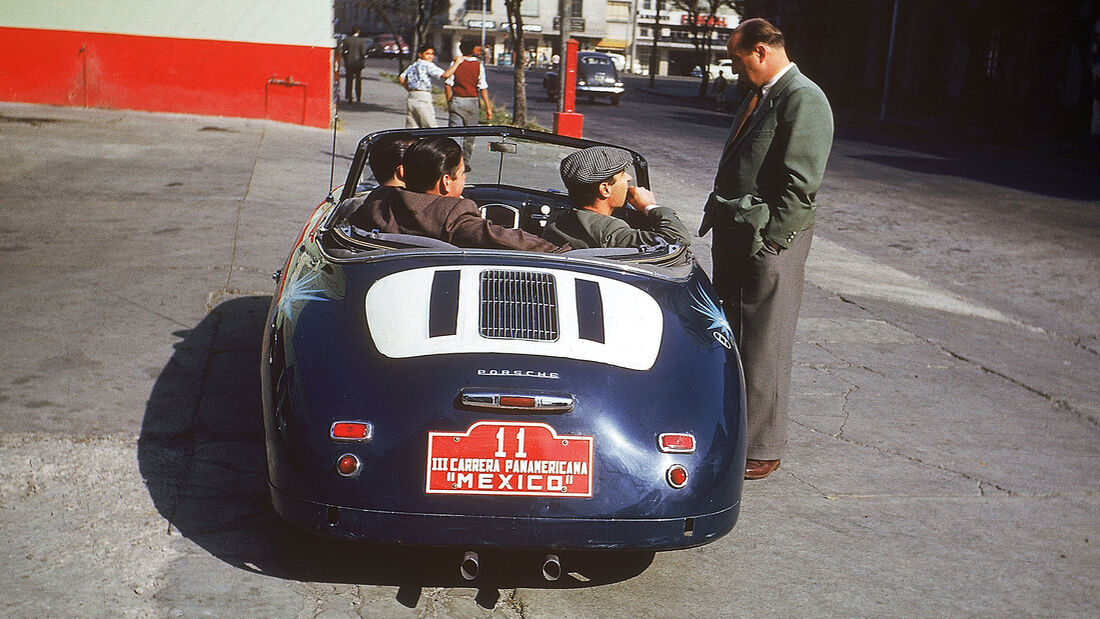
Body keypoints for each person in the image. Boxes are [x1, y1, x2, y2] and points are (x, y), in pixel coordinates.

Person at [698, 18, 834, 480]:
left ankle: (763, 446)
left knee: (765, 340)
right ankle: (739, 434)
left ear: (760, 51)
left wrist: (773, 240)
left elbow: (802, 185)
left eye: (739, 61)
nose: (737, 72)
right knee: (736, 333)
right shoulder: (762, 96)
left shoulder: (804, 97)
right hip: (738, 235)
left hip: (767, 242)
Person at [350, 137, 567, 252]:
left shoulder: (379, 200)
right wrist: (561, 251)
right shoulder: (452, 213)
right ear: (446, 182)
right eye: (462, 174)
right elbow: (506, 239)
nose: (464, 180)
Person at [543, 146, 691, 249]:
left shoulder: (557, 220)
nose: (629, 177)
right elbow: (678, 239)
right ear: (605, 189)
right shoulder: (609, 231)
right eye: (622, 173)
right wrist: (649, 206)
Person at [445, 40, 493, 167]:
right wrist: (488, 108)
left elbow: (448, 85)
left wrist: (449, 101)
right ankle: (465, 162)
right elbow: (483, 88)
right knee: (470, 134)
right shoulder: (478, 65)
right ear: (472, 50)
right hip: (472, 101)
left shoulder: (455, 63)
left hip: (457, 100)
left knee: (454, 132)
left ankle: (453, 161)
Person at [399, 45, 461, 128]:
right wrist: (457, 63)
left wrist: (409, 89)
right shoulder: (427, 64)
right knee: (430, 124)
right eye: (427, 53)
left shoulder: (414, 65)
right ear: (420, 54)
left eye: (432, 54)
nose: (430, 56)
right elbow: (445, 75)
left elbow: (401, 77)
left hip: (412, 96)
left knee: (413, 126)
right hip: (423, 96)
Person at [340, 29, 369, 103]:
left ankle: (349, 97)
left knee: (349, 80)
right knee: (358, 80)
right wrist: (363, 62)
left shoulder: (347, 40)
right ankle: (358, 97)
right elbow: (363, 53)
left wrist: (346, 59)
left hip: (349, 63)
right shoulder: (362, 41)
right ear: (358, 32)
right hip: (358, 63)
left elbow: (343, 52)